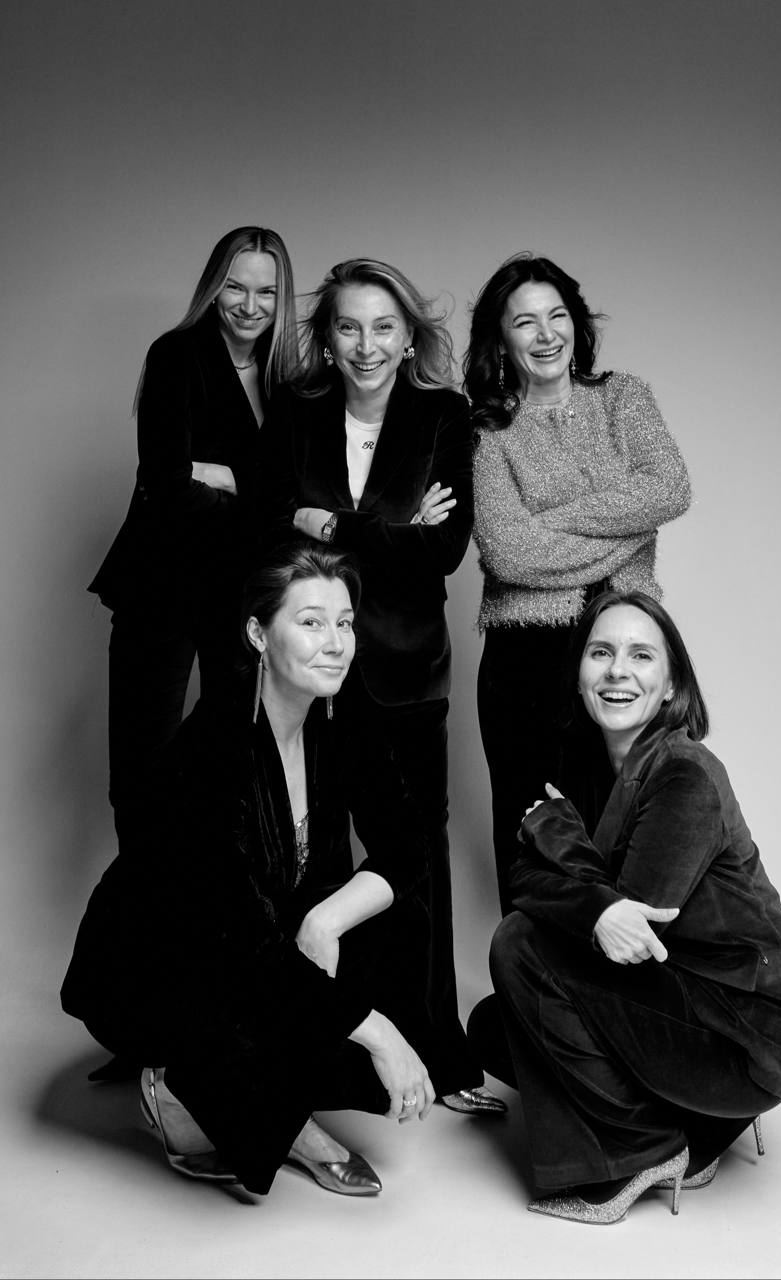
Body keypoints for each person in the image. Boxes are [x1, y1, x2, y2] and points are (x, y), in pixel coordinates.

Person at [61, 544, 438, 1197]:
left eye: (345, 623)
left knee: (395, 924)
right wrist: (379, 1033)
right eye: (311, 622)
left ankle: (262, 1096)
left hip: (255, 938)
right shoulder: (212, 749)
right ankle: (194, 1094)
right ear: (259, 634)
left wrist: (326, 920)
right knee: (253, 991)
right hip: (153, 964)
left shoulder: (339, 711)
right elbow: (240, 942)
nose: (336, 644)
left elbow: (409, 842)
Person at [467, 591, 781, 1225]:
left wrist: (561, 841)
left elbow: (633, 932)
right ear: (578, 674)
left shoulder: (684, 775)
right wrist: (584, 890)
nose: (617, 671)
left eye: (641, 655)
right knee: (497, 1026)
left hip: (746, 1034)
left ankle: (636, 1152)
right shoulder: (595, 765)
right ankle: (702, 1129)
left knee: (519, 944)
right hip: (686, 999)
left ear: (672, 684)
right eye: (600, 653)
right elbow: (523, 877)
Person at [255, 258, 502, 1115]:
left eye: (383, 327)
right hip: (306, 671)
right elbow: (268, 532)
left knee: (415, 856)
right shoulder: (296, 410)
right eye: (349, 327)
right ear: (327, 338)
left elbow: (443, 550)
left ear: (407, 339)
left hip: (404, 672)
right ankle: (316, 1040)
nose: (366, 345)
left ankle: (439, 1051)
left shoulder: (442, 415)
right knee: (307, 855)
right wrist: (391, 529)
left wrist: (329, 523)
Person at [464, 252, 692, 915]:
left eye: (557, 315)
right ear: (500, 339)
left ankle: (619, 981)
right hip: (524, 664)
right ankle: (532, 980)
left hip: (618, 645)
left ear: (576, 323)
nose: (545, 335)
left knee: (627, 838)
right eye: (524, 322)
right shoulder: (488, 430)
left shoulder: (624, 398)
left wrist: (548, 523)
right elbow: (508, 554)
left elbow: (669, 489)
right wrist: (628, 529)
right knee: (532, 848)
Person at [89, 226, 298, 846]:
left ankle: (214, 900)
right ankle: (137, 898)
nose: (250, 305)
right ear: (213, 287)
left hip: (243, 593)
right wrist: (252, 491)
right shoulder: (177, 355)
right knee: (142, 764)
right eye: (235, 287)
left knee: (234, 763)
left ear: (282, 296)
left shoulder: (287, 376)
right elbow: (165, 485)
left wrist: (224, 476)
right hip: (162, 584)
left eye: (266, 291)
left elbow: (290, 494)